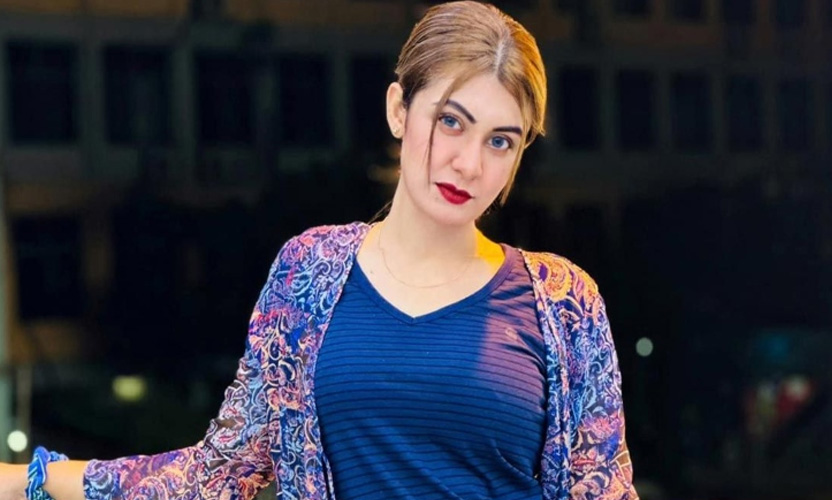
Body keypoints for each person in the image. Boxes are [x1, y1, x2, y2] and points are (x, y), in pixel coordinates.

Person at [0, 1, 638, 499]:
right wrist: (30, 479)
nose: (469, 163)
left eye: (501, 141)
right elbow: (220, 472)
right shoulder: (310, 272)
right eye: (451, 120)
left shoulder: (562, 302)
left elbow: (602, 488)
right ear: (399, 109)